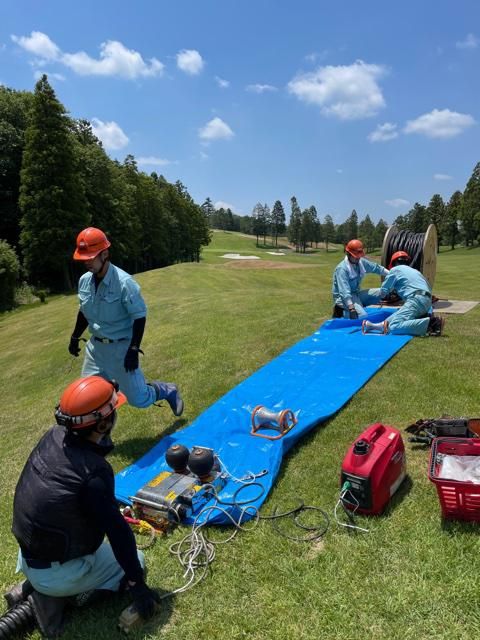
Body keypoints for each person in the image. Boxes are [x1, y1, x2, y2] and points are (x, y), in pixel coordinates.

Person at [8, 376, 160, 637]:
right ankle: (49, 600)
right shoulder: (93, 475)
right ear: (102, 424)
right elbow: (118, 533)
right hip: (55, 572)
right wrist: (137, 585)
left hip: (29, 556)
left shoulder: (54, 435)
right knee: (138, 561)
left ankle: (41, 586)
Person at [68, 227, 183, 415]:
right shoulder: (84, 281)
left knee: (139, 399)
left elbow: (139, 316)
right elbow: (84, 311)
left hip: (120, 349)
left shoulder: (124, 282)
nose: (87, 262)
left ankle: (166, 390)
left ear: (105, 254)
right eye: (84, 258)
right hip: (95, 349)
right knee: (89, 400)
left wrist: (133, 349)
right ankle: (101, 433)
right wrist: (74, 337)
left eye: (91, 257)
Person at [362, 251, 445, 336]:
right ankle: (376, 326)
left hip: (416, 300)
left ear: (393, 263)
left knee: (394, 326)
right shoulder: (416, 272)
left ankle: (433, 324)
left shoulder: (395, 270)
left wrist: (380, 296)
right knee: (393, 318)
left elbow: (383, 291)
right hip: (427, 302)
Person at [332, 239, 389, 319]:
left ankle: (359, 306)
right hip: (343, 299)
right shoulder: (342, 269)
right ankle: (341, 312)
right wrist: (351, 308)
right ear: (348, 254)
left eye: (359, 256)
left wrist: (392, 274)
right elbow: (344, 292)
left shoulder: (360, 262)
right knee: (362, 316)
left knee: (383, 291)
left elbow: (377, 268)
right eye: (356, 256)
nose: (358, 258)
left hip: (356, 294)